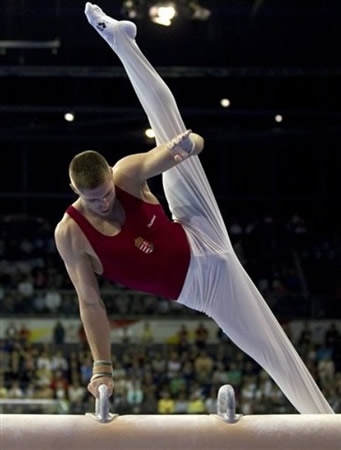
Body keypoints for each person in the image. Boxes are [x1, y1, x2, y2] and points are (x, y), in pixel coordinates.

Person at [55, 2, 334, 414]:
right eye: (95, 199)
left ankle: (120, 41)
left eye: (108, 193)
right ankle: (327, 428)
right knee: (275, 355)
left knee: (170, 129)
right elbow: (90, 301)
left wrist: (187, 147)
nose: (105, 201)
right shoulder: (71, 233)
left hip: (197, 226)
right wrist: (102, 366)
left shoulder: (126, 174)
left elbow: (184, 148)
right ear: (75, 190)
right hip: (207, 289)